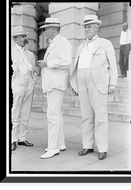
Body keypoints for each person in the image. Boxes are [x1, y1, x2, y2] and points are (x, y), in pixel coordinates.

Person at [70, 15, 118, 160]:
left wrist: (112, 83)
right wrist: (75, 85)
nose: (86, 29)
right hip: (82, 83)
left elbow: (112, 65)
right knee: (86, 117)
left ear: (97, 28)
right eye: (85, 27)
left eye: (89, 26)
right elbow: (77, 67)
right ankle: (88, 146)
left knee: (101, 117)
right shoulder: (81, 46)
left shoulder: (105, 43)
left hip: (98, 83)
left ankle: (102, 148)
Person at [38, 17, 72, 159]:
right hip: (52, 84)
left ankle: (53, 148)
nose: (45, 31)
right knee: (56, 114)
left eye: (46, 29)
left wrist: (47, 63)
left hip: (56, 84)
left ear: (54, 29)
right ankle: (60, 143)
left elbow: (66, 61)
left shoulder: (62, 42)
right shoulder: (54, 43)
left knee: (52, 115)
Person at [11, 26, 37, 151]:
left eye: (25, 36)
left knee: (25, 112)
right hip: (17, 84)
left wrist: (33, 81)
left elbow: (34, 70)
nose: (24, 38)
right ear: (15, 39)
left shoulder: (30, 54)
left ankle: (21, 137)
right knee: (15, 112)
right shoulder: (10, 52)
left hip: (29, 84)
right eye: (22, 36)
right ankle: (12, 139)